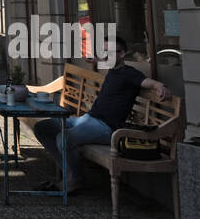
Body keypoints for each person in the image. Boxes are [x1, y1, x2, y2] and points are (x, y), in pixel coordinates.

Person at [34, 36, 171, 194]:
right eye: (104, 51)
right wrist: (97, 59)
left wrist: (161, 87)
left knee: (63, 138)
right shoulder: (112, 69)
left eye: (110, 52)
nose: (106, 55)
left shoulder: (129, 73)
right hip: (86, 120)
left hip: (105, 128)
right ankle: (69, 173)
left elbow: (149, 82)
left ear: (121, 54)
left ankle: (75, 180)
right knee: (42, 128)